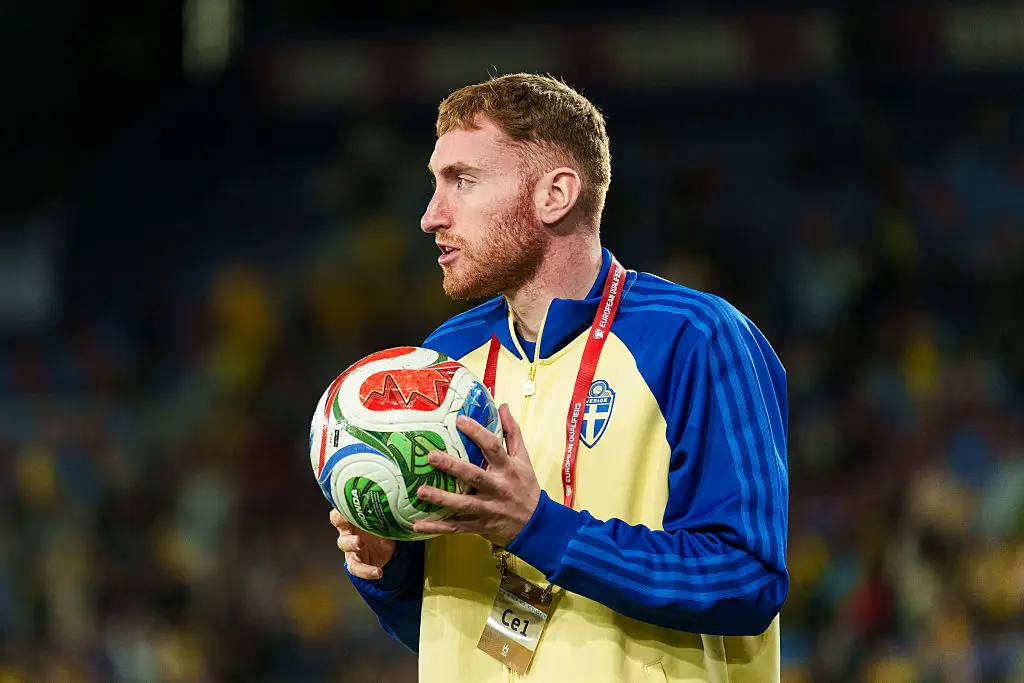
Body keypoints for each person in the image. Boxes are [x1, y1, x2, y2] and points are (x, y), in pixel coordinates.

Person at [330, 73, 789, 683]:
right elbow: (449, 620)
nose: (430, 217)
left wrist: (537, 528)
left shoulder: (694, 338)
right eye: (435, 185)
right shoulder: (443, 361)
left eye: (462, 182)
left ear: (557, 194)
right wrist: (388, 569)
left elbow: (745, 578)